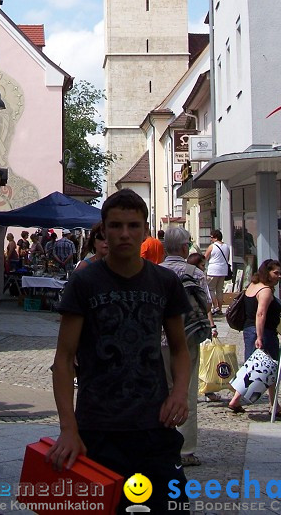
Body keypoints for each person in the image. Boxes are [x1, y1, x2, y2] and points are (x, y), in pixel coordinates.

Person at [46, 189, 192, 513]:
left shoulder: (165, 282)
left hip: (154, 425)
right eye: (115, 226)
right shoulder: (84, 283)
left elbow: (180, 348)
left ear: (145, 229)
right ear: (103, 229)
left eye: (133, 225)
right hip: (98, 428)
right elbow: (64, 360)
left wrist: (179, 393)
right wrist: (68, 429)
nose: (124, 234)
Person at [160, 227, 218, 466]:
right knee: (187, 390)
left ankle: (162, 444)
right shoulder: (194, 272)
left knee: (162, 390)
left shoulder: (155, 272)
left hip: (159, 339)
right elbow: (206, 304)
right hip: (187, 338)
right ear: (185, 247)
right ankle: (186, 449)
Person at [227, 259, 281, 419]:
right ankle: (274, 405)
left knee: (254, 367)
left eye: (280, 273)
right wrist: (260, 336)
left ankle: (238, 400)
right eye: (275, 273)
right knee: (270, 369)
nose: (279, 276)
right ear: (267, 273)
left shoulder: (252, 286)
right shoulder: (265, 291)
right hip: (264, 333)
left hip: (249, 331)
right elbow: (261, 313)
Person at [204, 229, 231, 315]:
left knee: (211, 289)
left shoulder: (212, 246)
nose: (211, 239)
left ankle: (215, 307)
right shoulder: (226, 246)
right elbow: (228, 258)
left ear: (215, 238)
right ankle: (219, 308)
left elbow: (205, 258)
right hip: (223, 270)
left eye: (211, 237)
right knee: (219, 290)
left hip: (213, 270)